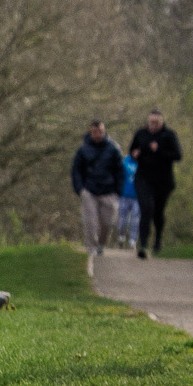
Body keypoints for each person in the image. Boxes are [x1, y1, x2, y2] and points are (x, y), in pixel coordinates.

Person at [71, 119, 124, 277]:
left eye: (100, 131)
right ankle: (92, 248)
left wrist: (118, 190)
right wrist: (80, 189)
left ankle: (101, 244)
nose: (97, 134)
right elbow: (76, 171)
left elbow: (120, 170)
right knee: (90, 221)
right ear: (90, 132)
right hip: (90, 191)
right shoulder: (83, 151)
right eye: (94, 132)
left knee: (108, 222)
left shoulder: (113, 149)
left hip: (109, 191)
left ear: (104, 131)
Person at [129, 109, 183, 260]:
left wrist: (159, 150)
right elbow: (132, 149)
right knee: (146, 208)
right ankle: (143, 245)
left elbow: (178, 155)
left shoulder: (169, 135)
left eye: (156, 122)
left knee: (157, 212)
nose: (153, 125)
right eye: (151, 122)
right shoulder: (141, 134)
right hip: (143, 178)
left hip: (163, 180)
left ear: (162, 122)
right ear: (147, 122)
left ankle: (158, 239)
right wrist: (135, 154)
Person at [117, 150, 139, 249]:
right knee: (123, 219)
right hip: (124, 195)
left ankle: (132, 240)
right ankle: (121, 236)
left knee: (135, 219)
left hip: (137, 197)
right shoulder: (124, 162)